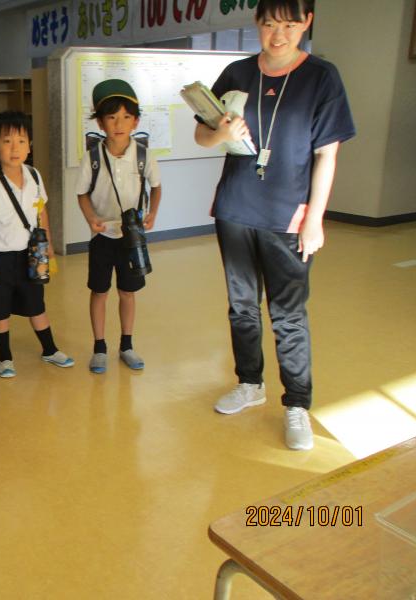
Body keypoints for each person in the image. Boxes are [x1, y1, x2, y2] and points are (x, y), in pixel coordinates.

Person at [193, 0, 355, 451]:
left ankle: (297, 404)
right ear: (257, 23)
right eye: (268, 24)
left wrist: (315, 218)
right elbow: (202, 135)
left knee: (288, 314)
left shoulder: (322, 77)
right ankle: (250, 383)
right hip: (235, 208)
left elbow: (327, 155)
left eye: (289, 24)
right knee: (241, 306)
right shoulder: (237, 73)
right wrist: (221, 133)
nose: (278, 34)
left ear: (307, 23)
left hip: (288, 215)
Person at [0, 110, 73, 378]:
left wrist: (48, 245)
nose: (14, 148)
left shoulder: (34, 176)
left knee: (36, 304)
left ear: (29, 146)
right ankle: (5, 357)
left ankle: (49, 349)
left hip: (30, 254)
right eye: (6, 141)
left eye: (21, 141)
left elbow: (41, 212)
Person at [76, 79, 162, 374]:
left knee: (128, 292)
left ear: (135, 121)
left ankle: (127, 345)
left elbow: (156, 186)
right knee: (99, 291)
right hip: (102, 237)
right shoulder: (92, 158)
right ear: (100, 123)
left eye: (126, 117)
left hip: (132, 238)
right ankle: (99, 347)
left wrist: (153, 213)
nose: (119, 124)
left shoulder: (143, 155)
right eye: (111, 117)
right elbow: (82, 193)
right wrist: (91, 218)